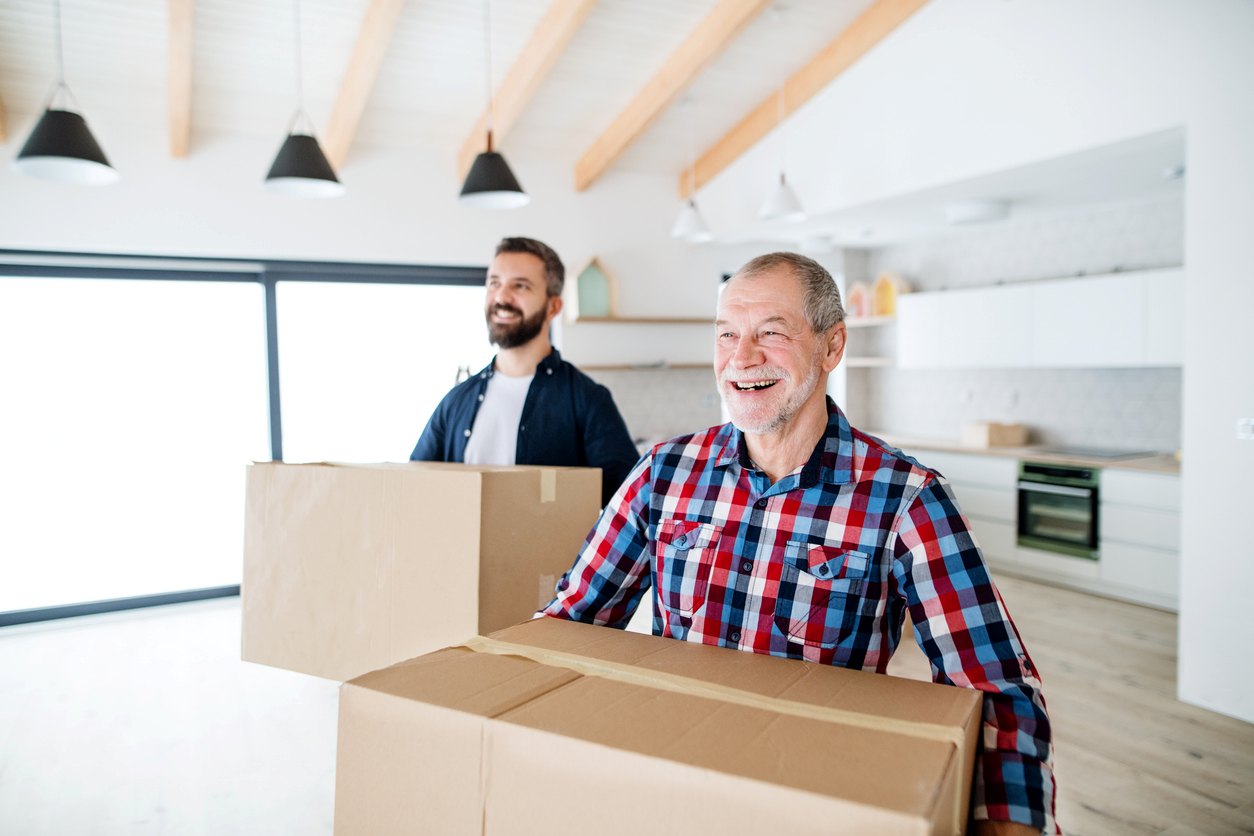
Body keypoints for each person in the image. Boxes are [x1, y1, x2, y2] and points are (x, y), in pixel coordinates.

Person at [540, 252, 1057, 835]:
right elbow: (568, 621)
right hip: (677, 785)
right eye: (728, 335)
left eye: (771, 334)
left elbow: (999, 691)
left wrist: (1010, 825)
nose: (742, 358)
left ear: (832, 347)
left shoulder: (906, 499)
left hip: (815, 800)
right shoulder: (664, 471)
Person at [411, 237, 639, 507]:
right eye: (494, 283)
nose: (502, 297)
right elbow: (415, 490)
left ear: (553, 306)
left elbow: (631, 506)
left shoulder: (587, 401)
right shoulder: (455, 402)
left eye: (520, 285)